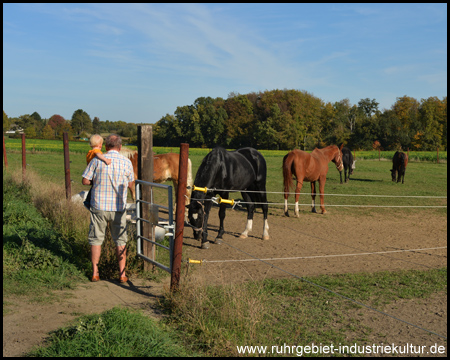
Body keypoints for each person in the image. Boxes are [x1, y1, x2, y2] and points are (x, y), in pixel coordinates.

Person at [82, 134, 135, 283]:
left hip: (99, 206)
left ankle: (95, 273)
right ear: (120, 147)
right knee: (120, 240)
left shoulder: (96, 160)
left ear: (105, 147)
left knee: (96, 239)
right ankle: (122, 274)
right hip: (118, 207)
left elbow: (85, 181)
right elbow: (131, 184)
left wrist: (96, 179)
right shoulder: (126, 162)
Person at [83, 134, 112, 209]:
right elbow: (98, 155)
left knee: (93, 187)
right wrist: (106, 160)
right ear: (100, 144)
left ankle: (88, 201)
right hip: (96, 172)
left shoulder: (89, 152)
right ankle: (88, 201)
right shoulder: (96, 151)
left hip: (91, 172)